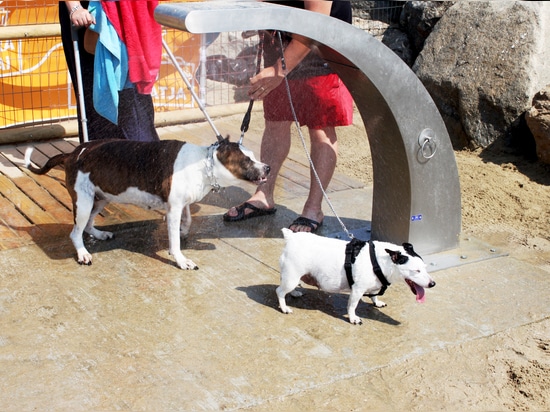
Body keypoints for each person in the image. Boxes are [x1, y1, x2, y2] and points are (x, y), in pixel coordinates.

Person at [223, 0, 354, 233]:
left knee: (320, 129)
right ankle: (264, 195)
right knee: (275, 122)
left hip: (322, 52)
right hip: (281, 49)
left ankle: (313, 208)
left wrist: (279, 70)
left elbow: (315, 22)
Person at [59, 1, 161, 142]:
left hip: (128, 10)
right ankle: (99, 155)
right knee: (95, 91)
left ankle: (140, 151)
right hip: (88, 15)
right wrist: (75, 8)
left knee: (134, 93)